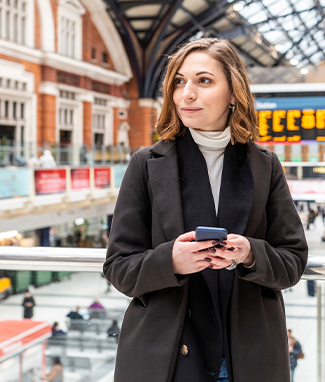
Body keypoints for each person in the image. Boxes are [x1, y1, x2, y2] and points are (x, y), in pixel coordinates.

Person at [103, 38, 308, 382]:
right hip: (167, 358)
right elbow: (119, 267)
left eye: (204, 81)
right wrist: (171, 261)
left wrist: (250, 253)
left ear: (233, 92)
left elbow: (293, 260)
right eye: (179, 81)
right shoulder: (147, 166)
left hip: (248, 358)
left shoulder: (264, 165)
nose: (187, 93)